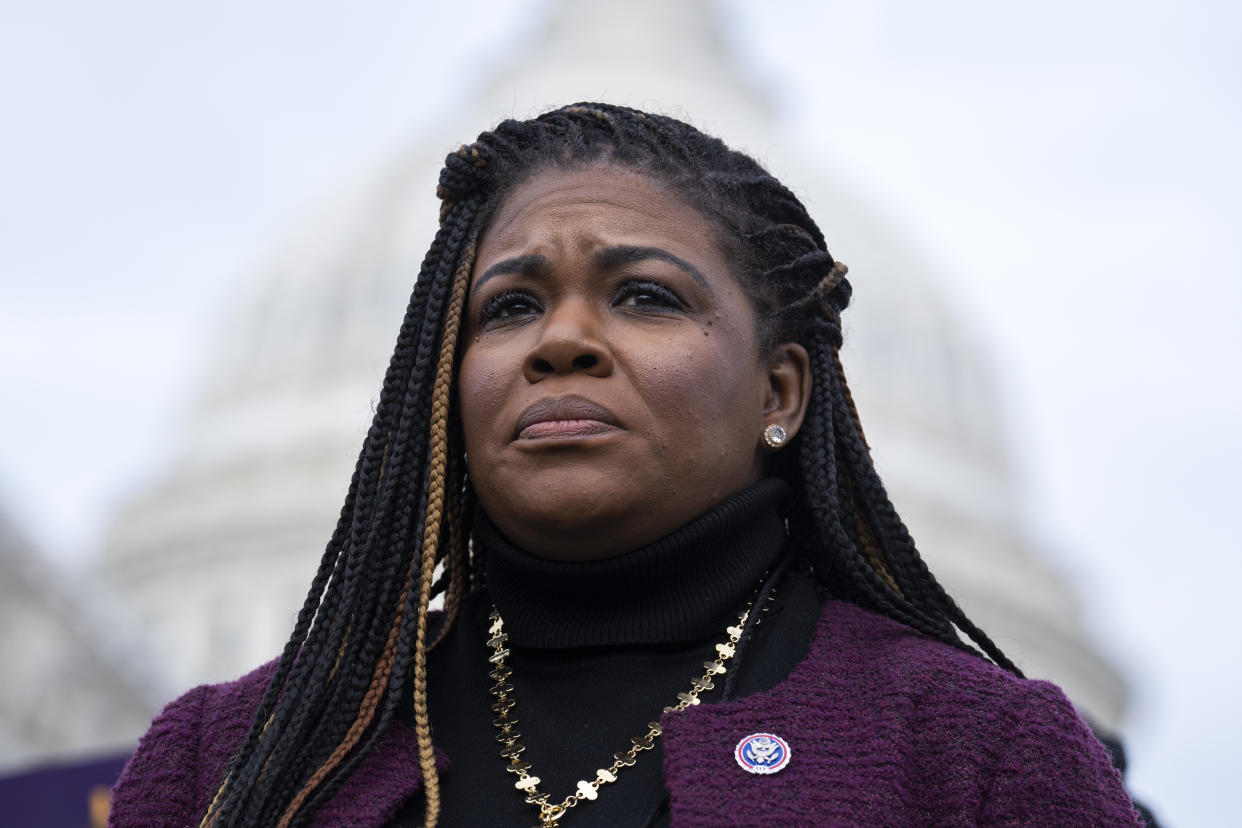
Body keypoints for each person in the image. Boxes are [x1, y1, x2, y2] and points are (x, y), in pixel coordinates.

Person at [109, 103, 1143, 827]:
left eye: (646, 295)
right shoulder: (230, 757)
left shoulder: (974, 755)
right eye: (509, 306)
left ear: (781, 392)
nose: (560, 341)